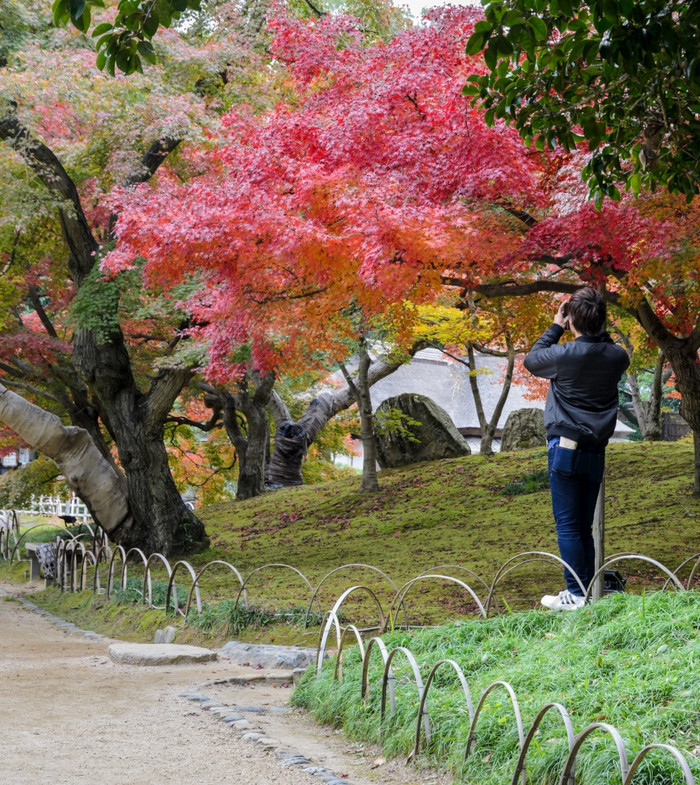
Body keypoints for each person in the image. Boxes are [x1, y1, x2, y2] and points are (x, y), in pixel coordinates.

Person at [524, 287, 630, 610]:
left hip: (566, 449)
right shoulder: (618, 356)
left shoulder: (564, 356)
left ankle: (574, 591)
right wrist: (594, 328)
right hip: (596, 451)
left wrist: (557, 326)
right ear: (602, 320)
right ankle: (586, 592)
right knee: (584, 527)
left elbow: (531, 359)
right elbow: (609, 345)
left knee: (568, 526)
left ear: (572, 321)